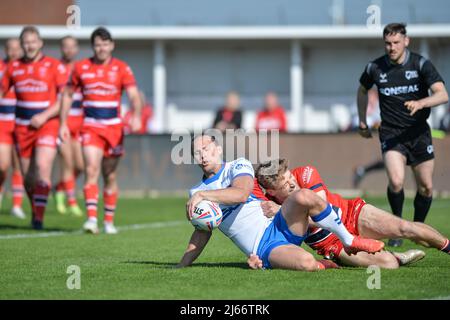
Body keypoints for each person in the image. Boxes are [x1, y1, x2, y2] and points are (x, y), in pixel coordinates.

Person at [177, 133, 384, 271]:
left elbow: (241, 193)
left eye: (207, 148)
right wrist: (182, 265)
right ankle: (325, 264)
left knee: (302, 196)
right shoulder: (196, 191)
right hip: (264, 247)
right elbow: (203, 231)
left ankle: (348, 240)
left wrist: (204, 196)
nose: (203, 155)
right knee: (306, 264)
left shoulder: (237, 165)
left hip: (279, 222)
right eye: (197, 152)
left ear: (219, 149)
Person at [249, 159, 449, 270]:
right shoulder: (268, 203)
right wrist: (256, 259)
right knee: (389, 265)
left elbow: (322, 210)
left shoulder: (306, 172)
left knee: (406, 228)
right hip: (331, 244)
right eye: (284, 184)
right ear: (272, 192)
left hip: (351, 215)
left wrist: (282, 213)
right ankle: (395, 256)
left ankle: (447, 247)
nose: (292, 183)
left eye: (290, 176)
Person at [357, 23, 448, 247]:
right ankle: (397, 228)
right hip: (391, 133)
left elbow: (442, 94)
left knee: (426, 186)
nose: (392, 47)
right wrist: (362, 120)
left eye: (396, 42)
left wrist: (421, 102)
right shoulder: (375, 68)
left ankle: (417, 229)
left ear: (406, 41)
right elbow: (361, 90)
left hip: (419, 133)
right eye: (388, 43)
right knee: (396, 181)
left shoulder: (420, 64)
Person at [60, 27, 142, 234]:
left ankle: (108, 221)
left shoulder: (122, 68)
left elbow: (133, 95)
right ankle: (90, 220)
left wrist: (137, 114)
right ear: (92, 46)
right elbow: (67, 95)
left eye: (105, 44)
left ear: (112, 45)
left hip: (114, 128)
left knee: (110, 175)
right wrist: (62, 123)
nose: (101, 48)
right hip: (90, 126)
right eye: (97, 44)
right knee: (91, 170)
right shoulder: (81, 67)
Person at [0, 26, 68, 230]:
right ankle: (34, 208)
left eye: (33, 41)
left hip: (47, 124)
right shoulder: (13, 68)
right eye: (26, 42)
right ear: (22, 45)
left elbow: (64, 98)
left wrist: (45, 116)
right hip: (22, 127)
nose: (29, 46)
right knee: (29, 178)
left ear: (40, 43)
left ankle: (38, 218)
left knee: (43, 167)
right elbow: (3, 92)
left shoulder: (54, 66)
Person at [54, 35, 84, 217]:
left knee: (80, 166)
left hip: (80, 123)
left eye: (73, 46)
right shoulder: (56, 69)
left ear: (77, 49)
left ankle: (58, 188)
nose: (69, 50)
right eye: (66, 46)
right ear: (61, 48)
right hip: (63, 122)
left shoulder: (81, 68)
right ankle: (71, 201)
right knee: (67, 162)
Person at [0, 38, 26, 219]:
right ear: (5, 50)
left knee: (19, 165)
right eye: (10, 48)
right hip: (2, 122)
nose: (14, 52)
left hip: (21, 122)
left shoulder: (25, 69)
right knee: (3, 165)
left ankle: (17, 204)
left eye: (17, 48)